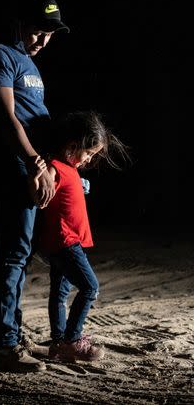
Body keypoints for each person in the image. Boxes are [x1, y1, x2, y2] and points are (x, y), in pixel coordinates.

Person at [0, 0, 70, 372]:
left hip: (37, 168)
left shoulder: (30, 64)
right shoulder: (3, 55)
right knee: (13, 253)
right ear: (20, 23)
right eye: (38, 31)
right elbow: (8, 118)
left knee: (22, 256)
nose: (42, 40)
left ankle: (14, 336)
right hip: (17, 169)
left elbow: (39, 118)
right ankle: (4, 345)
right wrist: (35, 162)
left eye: (49, 35)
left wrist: (51, 164)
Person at [34, 111, 127, 362]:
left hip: (67, 240)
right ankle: (72, 340)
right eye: (89, 153)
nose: (88, 159)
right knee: (90, 287)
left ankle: (58, 342)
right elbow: (41, 195)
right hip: (64, 242)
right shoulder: (54, 167)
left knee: (60, 291)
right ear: (73, 145)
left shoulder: (69, 167)